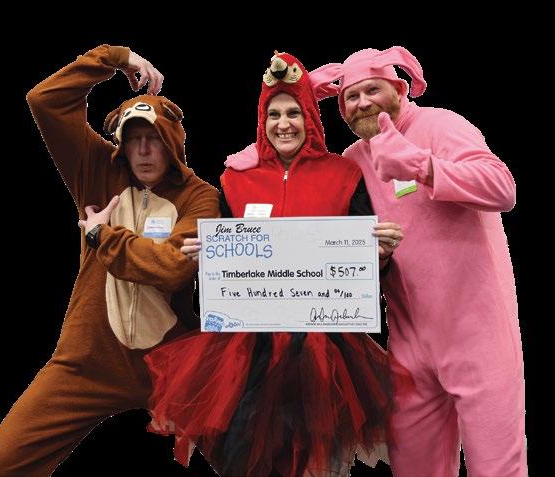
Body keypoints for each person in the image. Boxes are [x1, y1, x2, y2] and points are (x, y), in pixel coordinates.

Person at [142, 52, 411, 477]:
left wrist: (379, 256)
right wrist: (206, 260)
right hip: (247, 350)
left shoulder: (344, 174)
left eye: (293, 113)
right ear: (261, 120)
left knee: (312, 459)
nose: (283, 124)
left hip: (325, 350)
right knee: (244, 458)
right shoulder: (235, 180)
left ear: (310, 118)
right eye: (273, 114)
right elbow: (222, 279)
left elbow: (362, 270)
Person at [0, 44, 219, 476]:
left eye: (154, 139)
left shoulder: (200, 197)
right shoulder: (97, 170)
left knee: (253, 459)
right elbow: (45, 101)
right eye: (134, 139)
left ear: (173, 143)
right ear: (121, 144)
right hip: (88, 359)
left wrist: (100, 235)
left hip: (172, 364)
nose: (144, 150)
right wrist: (115, 57)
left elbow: (172, 268)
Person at [309, 46, 525, 476]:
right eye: (351, 97)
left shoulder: (440, 124)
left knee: (496, 468)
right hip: (407, 343)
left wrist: (419, 165)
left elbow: (502, 188)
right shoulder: (352, 161)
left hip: (477, 335)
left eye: (372, 90)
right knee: (414, 467)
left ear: (399, 89)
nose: (362, 102)